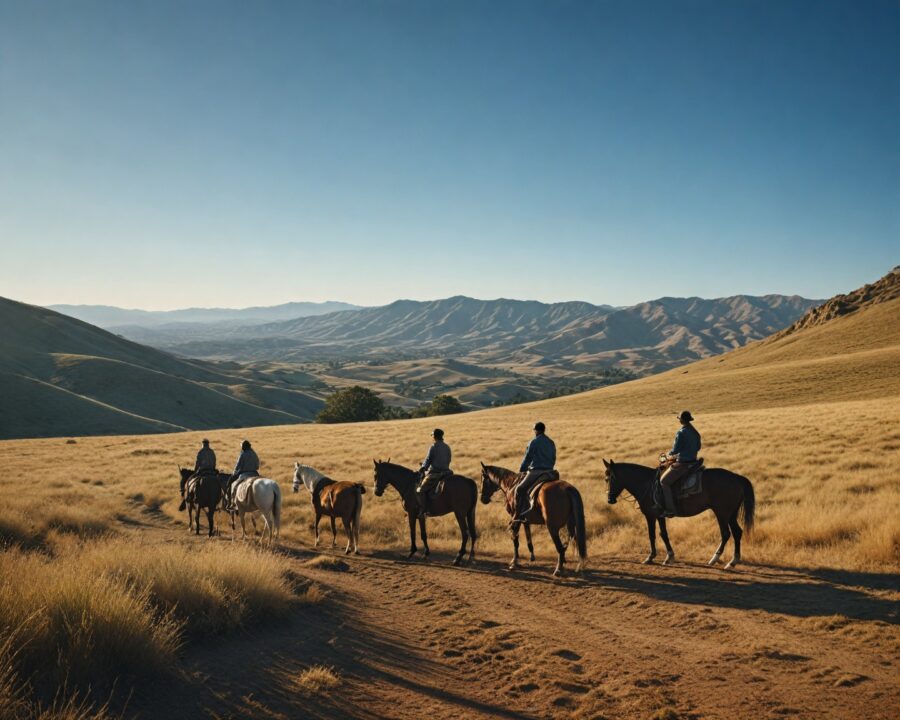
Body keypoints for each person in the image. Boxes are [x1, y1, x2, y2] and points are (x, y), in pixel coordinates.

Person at [659, 410, 702, 517]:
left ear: (681, 420)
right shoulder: (695, 432)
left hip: (683, 463)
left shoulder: (681, 432)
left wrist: (670, 454)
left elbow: (676, 449)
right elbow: (698, 447)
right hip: (694, 462)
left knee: (664, 482)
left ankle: (670, 510)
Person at [513, 422, 557, 522]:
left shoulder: (533, 442)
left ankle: (519, 515)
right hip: (550, 472)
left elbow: (527, 458)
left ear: (536, 430)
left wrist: (522, 470)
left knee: (519, 489)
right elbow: (554, 458)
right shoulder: (551, 442)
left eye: (534, 430)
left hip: (536, 472)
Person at [416, 429, 452, 518]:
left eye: (432, 435)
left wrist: (423, 468)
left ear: (435, 436)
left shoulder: (433, 446)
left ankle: (423, 511)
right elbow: (449, 460)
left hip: (435, 474)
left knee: (420, 490)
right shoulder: (447, 447)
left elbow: (428, 460)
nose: (432, 437)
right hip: (447, 472)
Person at [226, 439, 260, 511]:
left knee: (233, 485)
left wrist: (234, 473)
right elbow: (257, 466)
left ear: (243, 447)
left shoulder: (243, 454)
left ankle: (233, 503)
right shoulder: (254, 454)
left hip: (244, 474)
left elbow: (237, 466)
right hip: (255, 474)